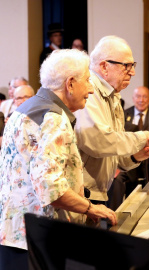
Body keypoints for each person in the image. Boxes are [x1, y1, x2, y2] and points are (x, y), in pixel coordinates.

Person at [0, 49, 117, 270]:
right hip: (38, 241)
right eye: (88, 81)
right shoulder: (53, 118)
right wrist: (90, 208)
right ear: (70, 83)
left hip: (13, 235)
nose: (91, 89)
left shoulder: (22, 109)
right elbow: (50, 188)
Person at [74, 36, 149, 207]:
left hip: (97, 192)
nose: (132, 72)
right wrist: (144, 137)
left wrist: (138, 154)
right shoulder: (89, 91)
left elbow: (113, 153)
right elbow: (98, 142)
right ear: (104, 66)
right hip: (80, 194)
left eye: (133, 65)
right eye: (126, 66)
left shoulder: (113, 96)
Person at [108, 86, 149, 210]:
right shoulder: (124, 113)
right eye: (138, 96)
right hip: (126, 157)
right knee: (117, 178)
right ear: (133, 98)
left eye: (144, 96)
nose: (141, 100)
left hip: (146, 159)